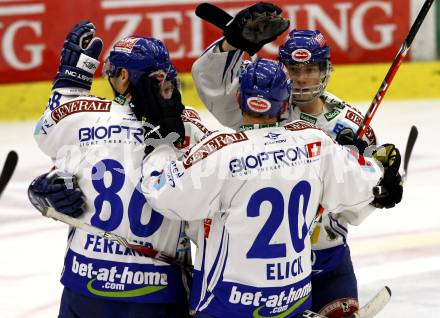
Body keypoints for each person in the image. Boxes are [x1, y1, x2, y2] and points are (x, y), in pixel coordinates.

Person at [140, 58, 403, 318]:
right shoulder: (316, 143)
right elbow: (366, 183)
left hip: (228, 303)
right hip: (291, 300)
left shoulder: (220, 151)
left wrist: (160, 147)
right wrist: (378, 168)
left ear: (238, 99)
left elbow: (160, 193)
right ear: (286, 103)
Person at [192, 8, 384, 314]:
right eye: (294, 69)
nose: (302, 79)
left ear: (325, 70)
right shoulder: (264, 107)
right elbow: (212, 86)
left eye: (311, 70)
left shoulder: (349, 123)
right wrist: (233, 43)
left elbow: (362, 199)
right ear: (283, 69)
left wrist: (381, 185)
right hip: (269, 268)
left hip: (328, 256)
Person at [28, 21, 210, 318]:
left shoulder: (85, 117)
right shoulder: (190, 126)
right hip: (158, 290)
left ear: (123, 76)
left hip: (85, 280)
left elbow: (45, 133)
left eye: (113, 72)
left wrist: (70, 81)